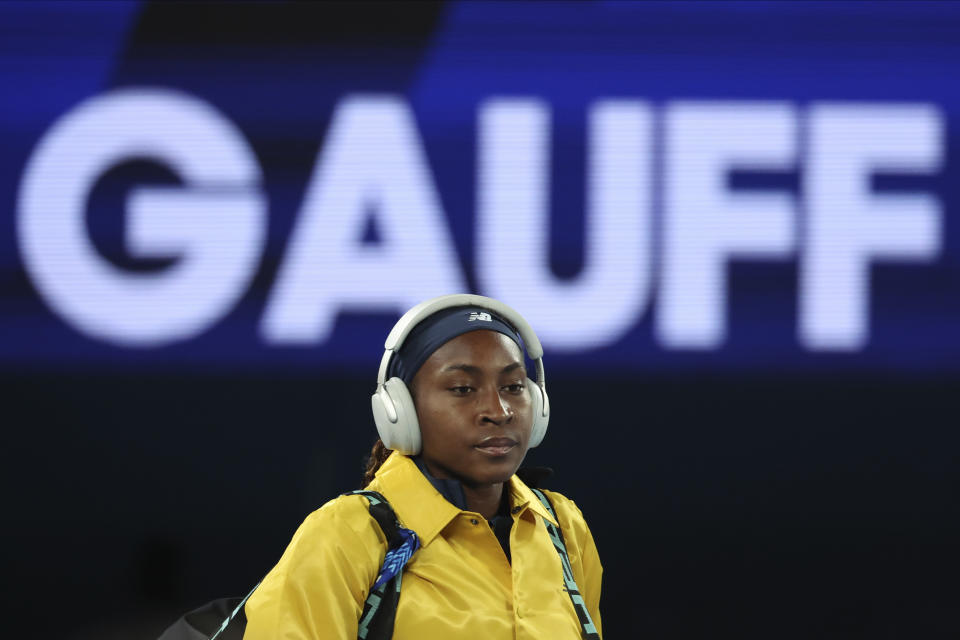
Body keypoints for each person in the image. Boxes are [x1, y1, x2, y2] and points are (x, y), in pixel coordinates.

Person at [243, 294, 602, 639]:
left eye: (512, 386)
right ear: (400, 410)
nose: (499, 411)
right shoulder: (346, 535)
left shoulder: (563, 527)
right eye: (463, 389)